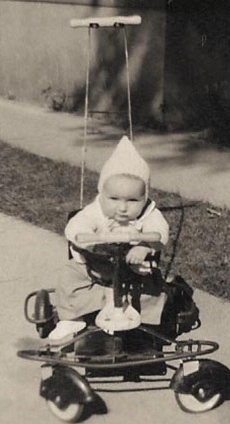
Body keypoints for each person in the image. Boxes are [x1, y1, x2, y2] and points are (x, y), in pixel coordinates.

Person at [53, 135, 169, 327]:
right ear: (102, 194)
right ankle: (72, 319)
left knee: (155, 289)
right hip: (94, 267)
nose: (122, 208)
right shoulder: (95, 211)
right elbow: (76, 226)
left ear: (144, 198)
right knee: (68, 277)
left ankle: (146, 323)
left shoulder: (149, 213)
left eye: (132, 201)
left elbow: (159, 230)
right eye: (114, 199)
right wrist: (88, 239)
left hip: (134, 269)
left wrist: (145, 245)